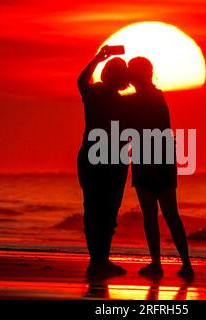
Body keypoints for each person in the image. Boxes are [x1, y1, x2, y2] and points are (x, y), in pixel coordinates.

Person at [126, 57, 194, 279]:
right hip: (156, 160)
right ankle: (177, 263)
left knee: (158, 214)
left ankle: (168, 263)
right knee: (163, 214)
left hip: (153, 161)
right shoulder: (154, 96)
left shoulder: (145, 99)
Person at [77, 46, 129, 278]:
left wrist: (99, 57)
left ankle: (98, 260)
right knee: (105, 211)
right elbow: (82, 80)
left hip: (100, 158)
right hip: (108, 160)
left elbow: (82, 79)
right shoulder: (106, 97)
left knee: (96, 210)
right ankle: (99, 260)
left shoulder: (95, 94)